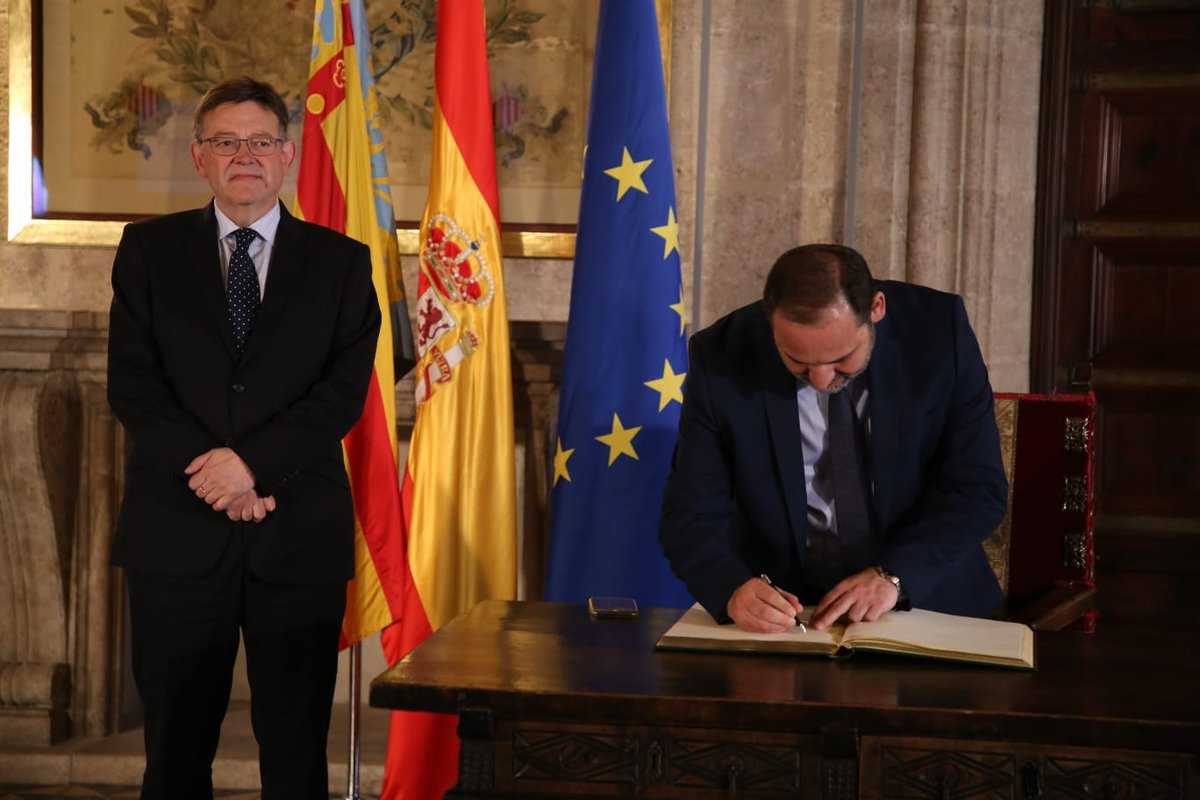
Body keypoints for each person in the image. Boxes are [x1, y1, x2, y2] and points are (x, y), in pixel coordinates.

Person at [106, 77, 381, 800]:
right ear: (200, 157)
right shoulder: (147, 251)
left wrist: (251, 470)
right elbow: (134, 387)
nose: (245, 156)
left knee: (294, 756)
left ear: (287, 154)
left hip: (295, 538)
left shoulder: (343, 263)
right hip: (176, 534)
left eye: (260, 141)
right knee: (174, 754)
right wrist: (218, 479)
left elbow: (339, 398)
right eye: (226, 142)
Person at [660, 244, 1006, 634]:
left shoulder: (939, 332)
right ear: (770, 321)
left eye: (841, 359)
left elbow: (977, 489)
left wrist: (893, 577)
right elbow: (690, 516)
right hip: (792, 621)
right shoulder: (721, 356)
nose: (822, 381)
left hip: (930, 603)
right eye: (798, 362)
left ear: (876, 309)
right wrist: (731, 589)